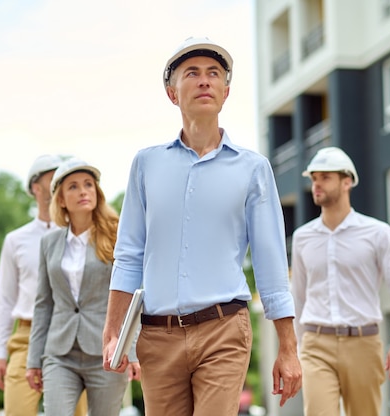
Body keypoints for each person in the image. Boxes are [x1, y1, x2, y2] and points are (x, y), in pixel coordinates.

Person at [102, 36, 301, 416]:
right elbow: (128, 255)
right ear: (172, 93)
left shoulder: (253, 169)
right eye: (191, 73)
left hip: (223, 329)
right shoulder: (146, 165)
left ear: (226, 93)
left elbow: (271, 263)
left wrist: (288, 349)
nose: (204, 81)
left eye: (214, 74)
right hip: (157, 337)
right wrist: (114, 333)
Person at [291, 146, 390, 416]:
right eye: (313, 178)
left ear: (346, 181)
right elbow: (298, 296)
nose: (316, 184)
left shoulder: (377, 233)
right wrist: (297, 348)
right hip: (316, 344)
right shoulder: (302, 238)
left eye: (325, 177)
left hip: (363, 343)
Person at [26, 156, 141, 416]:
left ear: (97, 193)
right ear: (61, 200)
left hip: (107, 353)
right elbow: (43, 304)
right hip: (59, 353)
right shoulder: (49, 243)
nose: (83, 192)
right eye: (73, 186)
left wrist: (132, 350)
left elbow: (132, 296)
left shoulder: (116, 235)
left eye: (88, 185)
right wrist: (34, 360)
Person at [0, 154, 88, 416]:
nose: (59, 182)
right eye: (52, 177)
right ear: (35, 187)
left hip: (71, 337)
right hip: (26, 338)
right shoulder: (16, 240)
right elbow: (4, 300)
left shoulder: (81, 236)